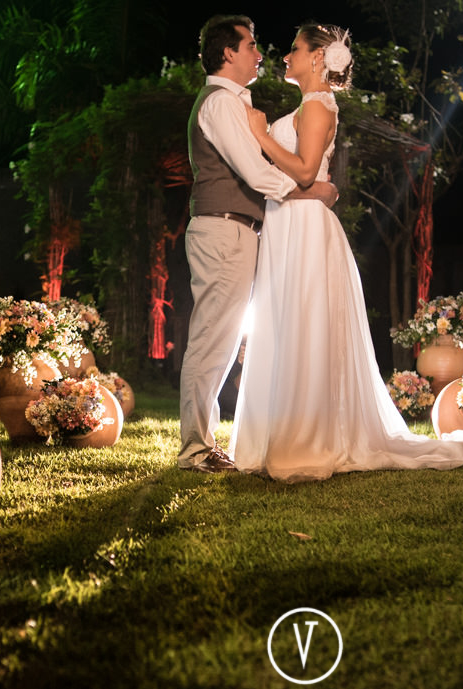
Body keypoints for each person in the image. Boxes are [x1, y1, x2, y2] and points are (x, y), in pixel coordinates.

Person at [230, 23, 463, 481]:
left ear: (317, 57)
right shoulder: (309, 104)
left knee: (305, 324)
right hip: (287, 225)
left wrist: (261, 135)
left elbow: (305, 171)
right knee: (285, 322)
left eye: (294, 49)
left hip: (305, 229)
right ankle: (274, 433)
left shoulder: (318, 106)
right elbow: (305, 179)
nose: (286, 57)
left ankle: (306, 437)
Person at [179, 15, 337, 473]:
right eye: (250, 45)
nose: (260, 53)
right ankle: (195, 450)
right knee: (212, 338)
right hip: (223, 230)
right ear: (228, 52)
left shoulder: (232, 102)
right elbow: (255, 172)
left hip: (237, 230)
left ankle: (201, 443)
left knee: (223, 339)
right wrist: (313, 192)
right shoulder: (220, 103)